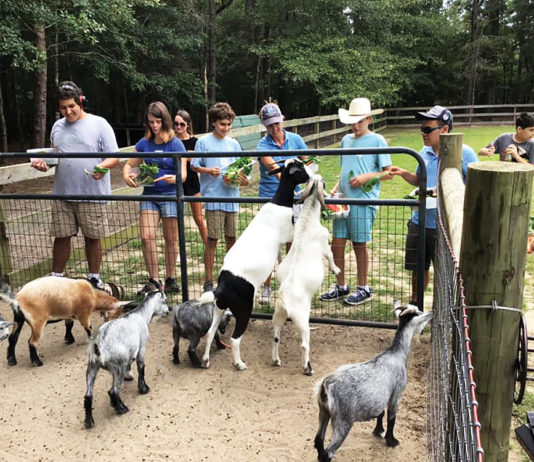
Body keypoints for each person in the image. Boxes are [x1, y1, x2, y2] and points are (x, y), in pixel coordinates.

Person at [31, 81, 119, 290]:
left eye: (71, 106)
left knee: (93, 237)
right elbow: (55, 158)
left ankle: (94, 278)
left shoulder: (100, 124)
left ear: (81, 102)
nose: (68, 111)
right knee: (61, 236)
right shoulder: (57, 127)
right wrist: (44, 165)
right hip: (63, 194)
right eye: (63, 108)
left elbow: (114, 157)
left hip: (92, 194)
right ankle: (56, 278)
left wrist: (102, 167)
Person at [389, 105, 478, 307]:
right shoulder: (424, 152)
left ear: (444, 130)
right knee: (418, 269)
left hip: (444, 226)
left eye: (428, 129)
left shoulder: (465, 153)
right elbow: (420, 181)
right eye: (422, 129)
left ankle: (442, 309)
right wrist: (404, 173)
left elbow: (474, 187)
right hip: (419, 221)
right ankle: (416, 306)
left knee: (444, 273)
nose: (423, 133)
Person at [320, 98, 392, 305]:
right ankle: (341, 285)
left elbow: (388, 174)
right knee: (338, 243)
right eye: (352, 121)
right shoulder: (346, 140)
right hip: (343, 201)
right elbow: (345, 169)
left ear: (370, 119)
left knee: (359, 244)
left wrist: (367, 178)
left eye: (360, 120)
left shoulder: (378, 141)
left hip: (363, 201)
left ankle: (364, 287)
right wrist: (336, 188)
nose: (356, 125)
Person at [123, 101, 187, 295]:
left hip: (170, 195)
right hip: (150, 194)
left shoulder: (175, 143)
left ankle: (170, 279)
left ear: (164, 121)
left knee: (171, 239)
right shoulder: (144, 143)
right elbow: (129, 164)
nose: (155, 125)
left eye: (158, 121)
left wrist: (173, 178)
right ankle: (154, 280)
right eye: (151, 122)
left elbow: (183, 175)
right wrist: (127, 175)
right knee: (146, 236)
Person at [191, 102, 249, 293]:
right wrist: (208, 170)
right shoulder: (203, 142)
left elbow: (243, 168)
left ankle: (230, 276)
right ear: (214, 123)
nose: (226, 128)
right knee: (213, 239)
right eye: (223, 124)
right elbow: (194, 165)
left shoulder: (233, 144)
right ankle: (208, 280)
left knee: (231, 238)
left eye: (229, 124)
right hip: (214, 197)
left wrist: (239, 178)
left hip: (231, 196)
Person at [256, 101, 308, 304]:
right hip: (272, 198)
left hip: (294, 198)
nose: (274, 128)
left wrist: (308, 171)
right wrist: (291, 183)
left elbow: (309, 159)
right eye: (270, 125)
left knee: (292, 243)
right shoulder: (262, 145)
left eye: (277, 123)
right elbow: (275, 171)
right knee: (270, 244)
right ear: (265, 126)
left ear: (282, 120)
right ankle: (266, 287)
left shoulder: (295, 139)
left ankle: (289, 286)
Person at [174, 109, 208, 244]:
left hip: (193, 183)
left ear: (188, 124)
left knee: (199, 219)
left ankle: (209, 248)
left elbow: (200, 160)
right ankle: (176, 251)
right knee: (175, 221)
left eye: (182, 124)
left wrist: (186, 155)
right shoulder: (172, 141)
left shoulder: (196, 142)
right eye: (176, 124)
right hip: (176, 183)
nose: (178, 127)